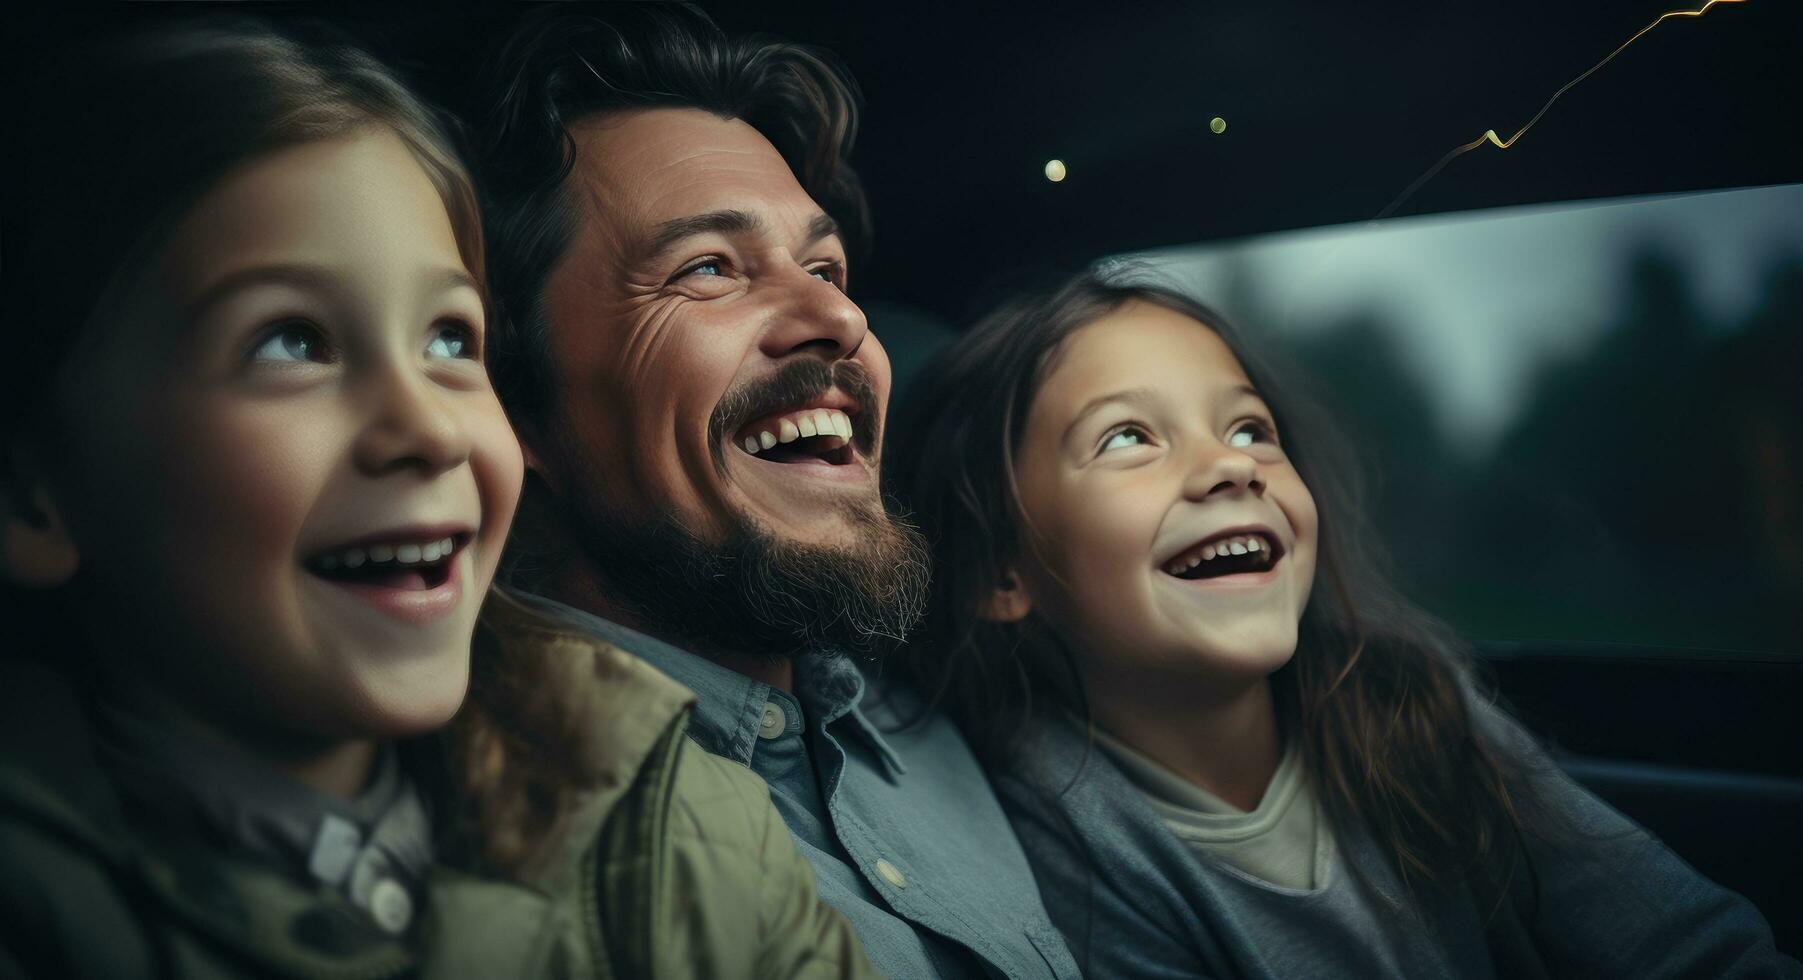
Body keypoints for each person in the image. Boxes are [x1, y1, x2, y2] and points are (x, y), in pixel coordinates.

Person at [0, 20, 874, 978]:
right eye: (288, 342)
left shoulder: (676, 816)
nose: (432, 426)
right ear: (31, 493)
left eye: (450, 342)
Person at [889, 268, 1801, 978]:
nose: (1228, 468)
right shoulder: (1070, 848)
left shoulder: (1402, 702)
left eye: (1249, 430)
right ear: (1001, 573)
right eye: (1128, 437)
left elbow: (1682, 944)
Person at [474, 7, 1079, 977]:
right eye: (708, 267)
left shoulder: (942, 731)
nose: (839, 316)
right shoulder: (494, 861)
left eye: (828, 266)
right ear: (512, 403)